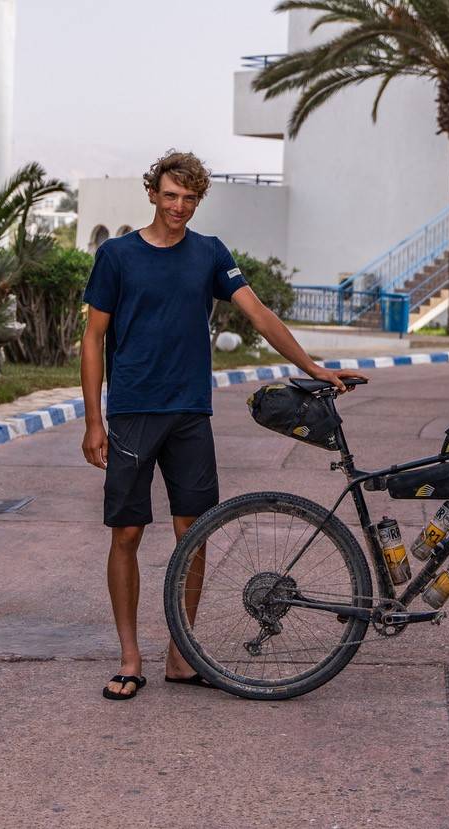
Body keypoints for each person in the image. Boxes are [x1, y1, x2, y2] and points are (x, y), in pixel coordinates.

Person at [79, 150, 366, 701]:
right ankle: (130, 656)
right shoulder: (116, 256)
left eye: (189, 198)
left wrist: (313, 368)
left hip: (190, 412)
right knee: (128, 533)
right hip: (133, 413)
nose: (178, 207)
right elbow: (93, 339)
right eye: (169, 195)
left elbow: (257, 313)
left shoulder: (210, 254)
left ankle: (181, 654)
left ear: (198, 199)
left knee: (196, 534)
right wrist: (94, 420)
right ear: (152, 193)